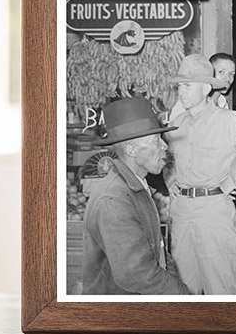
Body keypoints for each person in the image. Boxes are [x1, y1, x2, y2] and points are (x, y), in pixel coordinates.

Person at [167, 54, 236, 294]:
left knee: (221, 288)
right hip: (182, 212)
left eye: (187, 86)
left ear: (206, 88)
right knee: (183, 289)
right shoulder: (176, 124)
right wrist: (170, 182)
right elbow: (168, 160)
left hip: (213, 212)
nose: (181, 92)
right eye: (179, 86)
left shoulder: (229, 122)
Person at [80, 97, 191, 295]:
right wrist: (182, 295)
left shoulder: (135, 185)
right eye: (156, 141)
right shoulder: (114, 199)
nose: (165, 147)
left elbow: (157, 248)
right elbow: (136, 274)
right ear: (132, 150)